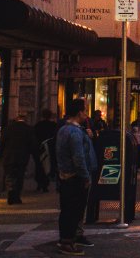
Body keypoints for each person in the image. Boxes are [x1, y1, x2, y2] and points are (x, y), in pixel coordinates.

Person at [56, 98, 98, 255]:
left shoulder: (65, 130)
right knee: (74, 210)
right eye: (85, 110)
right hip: (75, 177)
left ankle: (66, 239)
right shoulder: (73, 132)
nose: (86, 114)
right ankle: (68, 242)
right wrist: (85, 177)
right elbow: (78, 157)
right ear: (79, 112)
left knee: (68, 209)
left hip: (66, 176)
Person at [0, 112, 36, 204]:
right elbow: (31, 144)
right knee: (19, 176)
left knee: (10, 175)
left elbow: (2, 143)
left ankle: (10, 194)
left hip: (9, 156)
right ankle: (16, 196)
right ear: (25, 119)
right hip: (22, 157)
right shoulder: (28, 129)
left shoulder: (8, 128)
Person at [34, 108, 60, 193]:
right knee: (49, 165)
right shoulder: (54, 125)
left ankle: (40, 184)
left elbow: (34, 137)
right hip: (50, 149)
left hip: (40, 148)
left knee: (40, 166)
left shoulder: (38, 125)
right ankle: (46, 183)